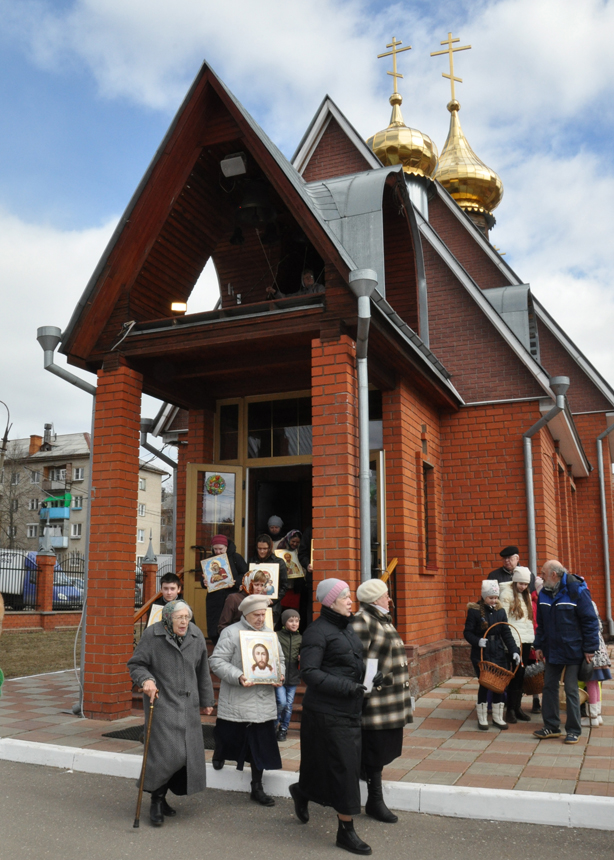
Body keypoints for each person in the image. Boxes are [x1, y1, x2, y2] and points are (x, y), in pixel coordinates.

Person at [289, 579, 371, 856]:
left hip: (349, 708)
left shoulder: (346, 627)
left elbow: (350, 663)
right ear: (330, 602)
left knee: (328, 765)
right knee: (345, 769)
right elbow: (309, 672)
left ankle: (302, 791)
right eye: (345, 597)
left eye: (350, 596)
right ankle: (345, 832)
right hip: (326, 712)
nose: (350, 601)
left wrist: (370, 678)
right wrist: (347, 686)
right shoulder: (316, 632)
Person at [127, 600, 214, 826]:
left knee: (185, 755)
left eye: (187, 617)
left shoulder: (195, 635)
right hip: (162, 703)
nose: (184, 622)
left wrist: (207, 700)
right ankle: (156, 800)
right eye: (179, 618)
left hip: (188, 706)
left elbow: (202, 670)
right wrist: (146, 680)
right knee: (166, 754)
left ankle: (162, 796)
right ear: (168, 618)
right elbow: (136, 664)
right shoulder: (152, 635)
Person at [209, 593, 284, 805]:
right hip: (238, 697)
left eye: (263, 615)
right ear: (246, 614)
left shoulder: (269, 634)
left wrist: (280, 674)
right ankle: (219, 752)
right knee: (229, 735)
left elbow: (279, 659)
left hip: (262, 699)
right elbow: (217, 661)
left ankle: (257, 787)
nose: (260, 619)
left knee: (260, 744)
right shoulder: (231, 633)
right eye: (256, 615)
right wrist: (238, 676)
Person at [351, 578, 412, 824]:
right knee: (375, 753)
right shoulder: (363, 620)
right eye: (386, 595)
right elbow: (357, 660)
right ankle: (375, 801)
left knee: (383, 750)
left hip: (390, 701)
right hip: (376, 701)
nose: (389, 598)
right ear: (376, 598)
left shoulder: (381, 619)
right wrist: (370, 684)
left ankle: (373, 799)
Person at [533, 560, 599, 744]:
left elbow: (590, 621)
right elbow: (541, 624)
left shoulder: (577, 590)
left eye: (543, 573)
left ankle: (573, 730)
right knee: (549, 686)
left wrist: (590, 648)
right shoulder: (544, 593)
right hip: (552, 650)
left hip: (573, 650)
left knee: (571, 689)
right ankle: (551, 726)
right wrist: (538, 646)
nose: (541, 576)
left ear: (554, 574)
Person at [463, 580, 521, 731]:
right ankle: (482, 717)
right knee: (485, 683)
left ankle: (497, 717)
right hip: (482, 653)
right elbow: (467, 632)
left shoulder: (500, 612)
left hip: (498, 652)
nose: (494, 601)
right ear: (484, 597)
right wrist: (477, 641)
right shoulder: (475, 611)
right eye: (491, 598)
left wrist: (514, 650)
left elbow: (506, 633)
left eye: (496, 597)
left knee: (499, 685)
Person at [498, 567, 535, 723]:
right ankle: (510, 710)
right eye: (521, 583)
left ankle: (518, 707)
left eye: (526, 584)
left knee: (521, 674)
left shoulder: (526, 595)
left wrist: (531, 639)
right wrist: (509, 643)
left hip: (525, 639)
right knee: (514, 673)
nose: (523, 587)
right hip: (513, 640)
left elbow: (528, 620)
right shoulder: (506, 594)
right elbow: (504, 620)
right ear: (515, 581)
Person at [201, 534, 248, 645]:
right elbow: (203, 578)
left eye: (221, 549)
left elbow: (246, 574)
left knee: (231, 623)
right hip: (215, 599)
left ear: (226, 547)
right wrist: (204, 582)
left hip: (231, 598)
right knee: (214, 627)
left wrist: (235, 582)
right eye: (215, 549)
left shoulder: (236, 558)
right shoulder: (209, 561)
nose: (218, 552)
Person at [581, 601, 611, 727]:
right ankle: (597, 715)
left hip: (593, 653)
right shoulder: (592, 604)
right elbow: (600, 627)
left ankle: (592, 717)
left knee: (591, 683)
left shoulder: (584, 604)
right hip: (600, 652)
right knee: (595, 684)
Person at [249, 534, 288, 626]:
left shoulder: (279, 562)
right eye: (259, 549)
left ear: (270, 548)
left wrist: (273, 600)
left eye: (265, 549)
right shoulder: (252, 561)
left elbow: (284, 586)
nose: (262, 551)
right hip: (254, 604)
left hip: (272, 607)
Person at [275, 608, 302, 742]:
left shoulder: (300, 638)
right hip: (280, 675)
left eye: (297, 621)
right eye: (291, 621)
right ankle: (274, 725)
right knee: (282, 702)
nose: (294, 623)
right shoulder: (277, 636)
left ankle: (283, 729)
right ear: (284, 622)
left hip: (293, 676)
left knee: (289, 704)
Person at [218, 569, 270, 634]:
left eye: (262, 585)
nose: (259, 589)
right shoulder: (234, 599)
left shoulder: (262, 600)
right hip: (237, 636)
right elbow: (223, 626)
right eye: (256, 585)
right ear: (248, 583)